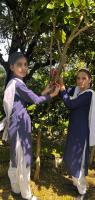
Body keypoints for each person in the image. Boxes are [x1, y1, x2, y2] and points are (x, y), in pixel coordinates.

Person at [0, 52, 60, 200]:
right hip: (20, 125)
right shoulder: (18, 84)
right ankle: (26, 195)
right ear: (12, 67)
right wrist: (52, 95)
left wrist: (45, 92)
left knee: (15, 157)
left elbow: (30, 98)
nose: (24, 68)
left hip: (16, 124)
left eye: (26, 65)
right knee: (23, 159)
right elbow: (36, 100)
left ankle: (15, 187)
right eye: (19, 65)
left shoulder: (14, 83)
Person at [59, 69, 95, 197]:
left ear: (90, 80)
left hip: (80, 134)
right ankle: (77, 184)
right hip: (73, 131)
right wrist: (58, 80)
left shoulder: (88, 94)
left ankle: (82, 192)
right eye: (78, 78)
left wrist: (63, 89)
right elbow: (62, 91)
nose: (80, 81)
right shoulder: (76, 90)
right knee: (71, 157)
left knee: (78, 161)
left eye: (84, 78)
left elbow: (70, 103)